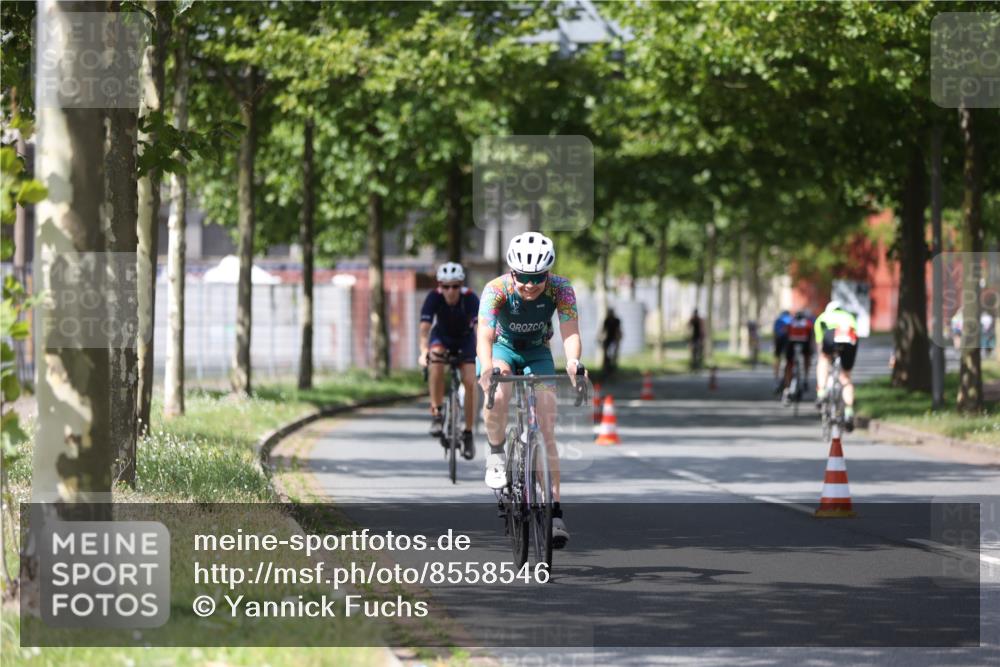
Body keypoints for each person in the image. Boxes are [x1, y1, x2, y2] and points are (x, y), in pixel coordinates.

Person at [477, 232, 584, 548]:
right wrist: (486, 369)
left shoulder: (561, 289)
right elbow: (484, 334)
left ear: (547, 273)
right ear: (512, 272)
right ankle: (497, 453)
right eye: (523, 277)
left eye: (537, 277)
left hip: (538, 352)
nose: (529, 284)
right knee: (498, 394)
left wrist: (574, 362)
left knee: (546, 426)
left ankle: (554, 512)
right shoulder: (496, 289)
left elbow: (570, 331)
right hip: (502, 349)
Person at [418, 262, 479, 460]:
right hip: (441, 337)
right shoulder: (433, 297)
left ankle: (468, 433)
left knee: (470, 381)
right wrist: (423, 351)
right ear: (440, 286)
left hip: (465, 338)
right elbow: (425, 328)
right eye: (445, 286)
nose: (450, 291)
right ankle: (436, 413)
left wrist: (483, 353)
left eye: (454, 286)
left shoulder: (470, 298)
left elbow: (480, 328)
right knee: (435, 364)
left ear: (461, 285)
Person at [814, 301, 860, 432]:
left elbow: (819, 344)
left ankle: (821, 392)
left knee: (823, 359)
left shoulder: (823, 317)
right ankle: (849, 412)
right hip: (849, 337)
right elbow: (855, 337)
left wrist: (824, 356)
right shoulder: (849, 317)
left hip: (831, 334)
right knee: (846, 377)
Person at [781, 309, 813, 405]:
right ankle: (806, 378)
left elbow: (784, 334)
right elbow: (811, 336)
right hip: (804, 343)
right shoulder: (807, 323)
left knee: (789, 364)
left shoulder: (790, 322)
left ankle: (786, 390)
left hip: (791, 343)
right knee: (807, 357)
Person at [772, 310, 792, 392]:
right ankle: (788, 384)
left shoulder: (778, 320)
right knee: (789, 361)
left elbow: (775, 333)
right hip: (789, 340)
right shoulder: (791, 319)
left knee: (777, 357)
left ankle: (776, 379)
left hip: (779, 339)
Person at [599, 308, 623, 375]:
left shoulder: (616, 321)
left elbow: (618, 330)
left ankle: (613, 367)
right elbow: (603, 330)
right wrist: (600, 337)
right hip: (608, 339)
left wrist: (618, 338)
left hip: (614, 339)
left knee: (614, 354)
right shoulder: (606, 320)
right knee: (606, 354)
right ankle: (606, 368)